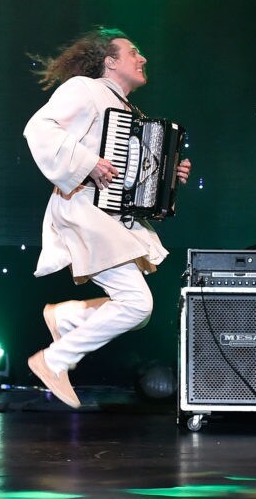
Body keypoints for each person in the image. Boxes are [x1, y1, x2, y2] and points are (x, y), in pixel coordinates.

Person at [23, 27, 191, 407]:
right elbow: (38, 129)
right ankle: (53, 359)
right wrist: (86, 163)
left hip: (110, 215)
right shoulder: (84, 88)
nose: (142, 58)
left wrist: (171, 176)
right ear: (110, 62)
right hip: (83, 210)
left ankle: (67, 319)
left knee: (136, 311)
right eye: (134, 52)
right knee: (137, 304)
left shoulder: (128, 108)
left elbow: (133, 174)